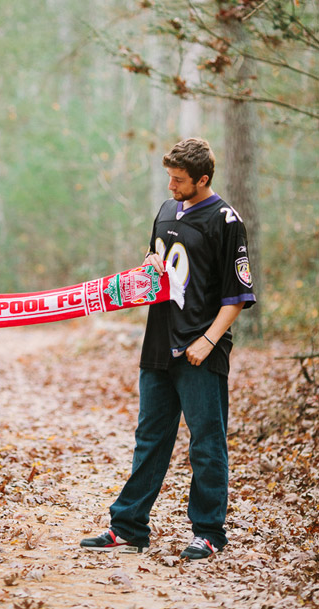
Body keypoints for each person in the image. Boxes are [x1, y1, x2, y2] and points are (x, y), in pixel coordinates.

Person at [80, 138, 256, 560]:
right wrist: (145, 267)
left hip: (200, 350)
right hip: (158, 345)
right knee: (150, 438)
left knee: (206, 443)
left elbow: (238, 296)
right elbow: (155, 261)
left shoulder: (226, 221)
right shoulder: (164, 210)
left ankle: (209, 532)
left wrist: (207, 341)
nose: (172, 186)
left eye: (179, 180)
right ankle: (128, 527)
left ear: (203, 179)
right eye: (170, 178)